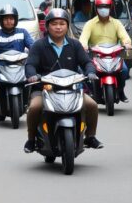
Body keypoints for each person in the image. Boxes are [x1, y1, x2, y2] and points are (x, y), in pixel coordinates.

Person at [23, 9, 103, 152]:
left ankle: (90, 137)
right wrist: (32, 75)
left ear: (67, 26)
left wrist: (90, 72)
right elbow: (30, 64)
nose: (58, 27)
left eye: (62, 24)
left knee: (92, 105)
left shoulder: (75, 44)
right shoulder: (38, 45)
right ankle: (31, 139)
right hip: (45, 89)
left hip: (72, 89)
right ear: (47, 26)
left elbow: (87, 62)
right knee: (34, 108)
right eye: (54, 24)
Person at [0, 5, 34, 118]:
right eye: (5, 19)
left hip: (20, 65)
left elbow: (32, 45)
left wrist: (36, 52)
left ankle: (30, 103)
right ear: (1, 20)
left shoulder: (23, 32)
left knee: (32, 79)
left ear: (15, 20)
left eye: (11, 18)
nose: (8, 21)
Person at [79, 0, 132, 102]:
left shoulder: (117, 23)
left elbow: (124, 37)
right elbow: (83, 38)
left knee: (124, 70)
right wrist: (84, 45)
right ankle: (91, 91)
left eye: (106, 7)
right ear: (96, 8)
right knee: (85, 71)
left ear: (111, 7)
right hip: (96, 56)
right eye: (100, 7)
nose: (103, 9)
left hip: (114, 55)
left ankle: (121, 91)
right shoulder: (90, 24)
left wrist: (127, 43)